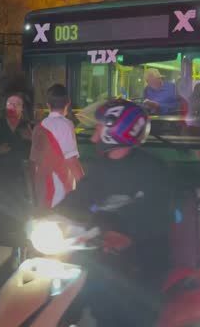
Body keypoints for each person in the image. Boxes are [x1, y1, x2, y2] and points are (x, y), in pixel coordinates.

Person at [57, 99, 172, 327]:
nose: (93, 137)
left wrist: (128, 234)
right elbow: (80, 198)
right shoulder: (101, 167)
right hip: (99, 253)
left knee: (122, 311)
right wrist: (51, 215)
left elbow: (159, 215)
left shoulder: (152, 170)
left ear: (116, 132)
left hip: (139, 262)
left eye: (98, 128)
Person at [0, 93, 34, 275]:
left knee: (20, 218)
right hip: (0, 181)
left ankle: (19, 256)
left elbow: (33, 154)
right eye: (10, 103)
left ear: (22, 108)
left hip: (20, 181)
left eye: (17, 104)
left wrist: (31, 139)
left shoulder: (27, 127)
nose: (13, 106)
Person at [30, 84, 84, 211]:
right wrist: (85, 185)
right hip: (59, 189)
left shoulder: (39, 127)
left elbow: (33, 162)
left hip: (42, 187)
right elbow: (71, 161)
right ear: (68, 103)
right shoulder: (65, 125)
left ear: (48, 105)